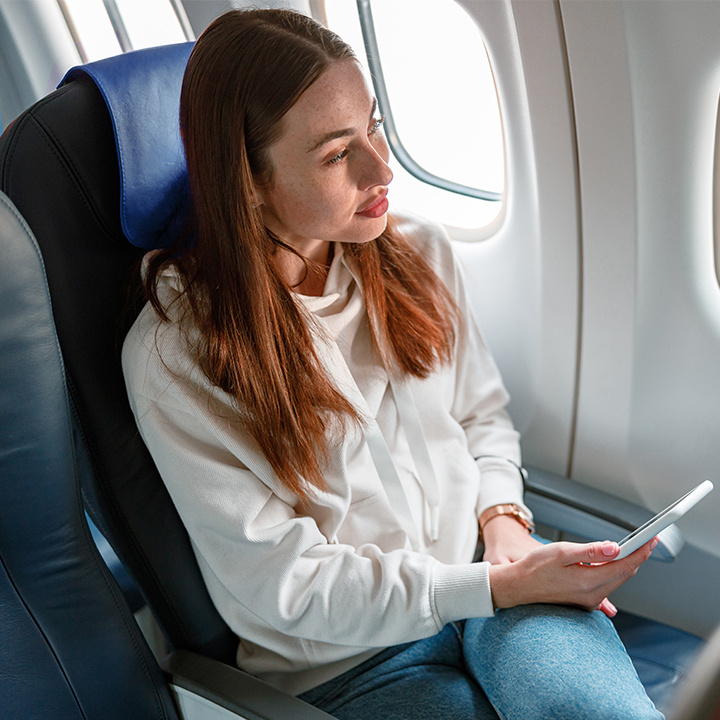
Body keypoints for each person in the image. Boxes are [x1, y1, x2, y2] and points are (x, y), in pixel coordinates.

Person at [122, 8, 663, 719]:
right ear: (247, 182)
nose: (384, 166)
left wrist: (503, 523)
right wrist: (490, 586)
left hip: (491, 575)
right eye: (338, 153)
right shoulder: (181, 356)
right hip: (347, 660)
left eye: (374, 125)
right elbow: (284, 584)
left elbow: (479, 417)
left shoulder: (418, 254)